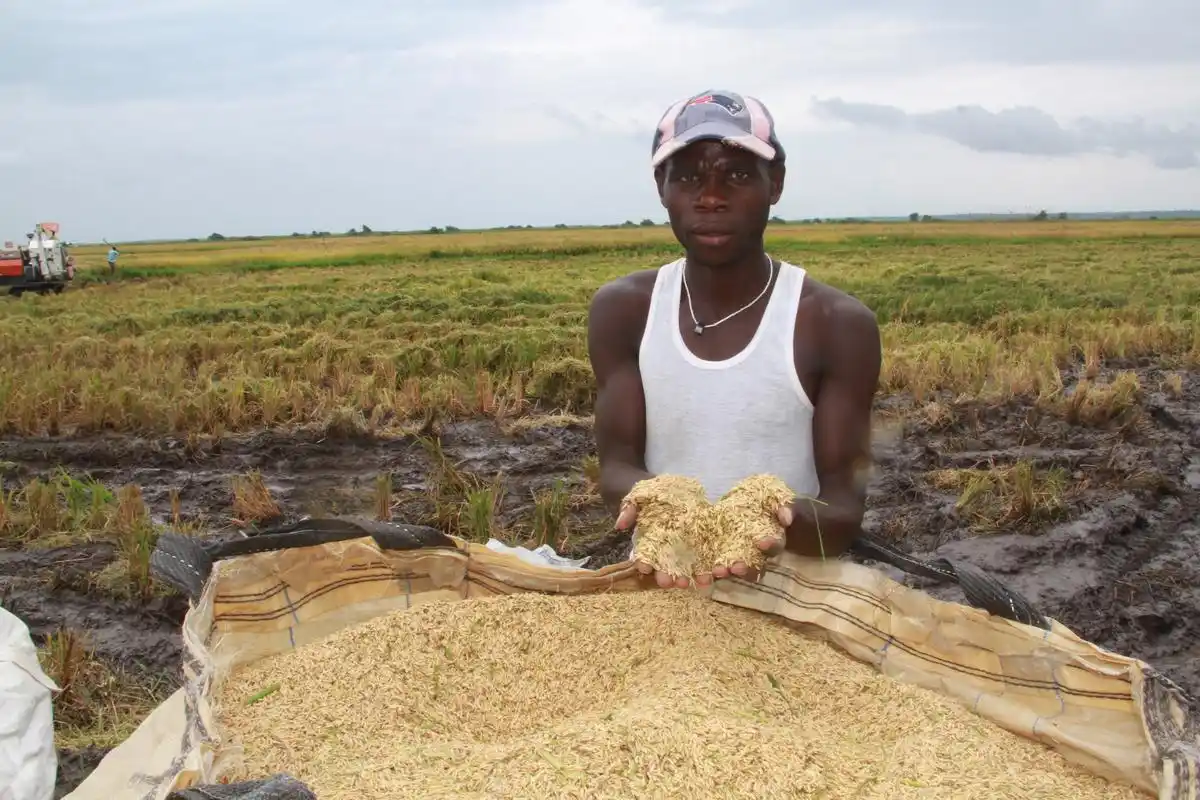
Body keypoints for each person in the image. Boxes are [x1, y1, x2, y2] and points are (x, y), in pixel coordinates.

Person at [586, 90, 882, 590]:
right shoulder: (624, 311)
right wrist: (653, 500)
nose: (711, 197)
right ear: (662, 187)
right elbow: (616, 464)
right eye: (689, 177)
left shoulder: (836, 323)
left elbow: (844, 507)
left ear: (776, 183)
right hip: (663, 587)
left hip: (796, 600)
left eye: (738, 175)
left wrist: (777, 525)